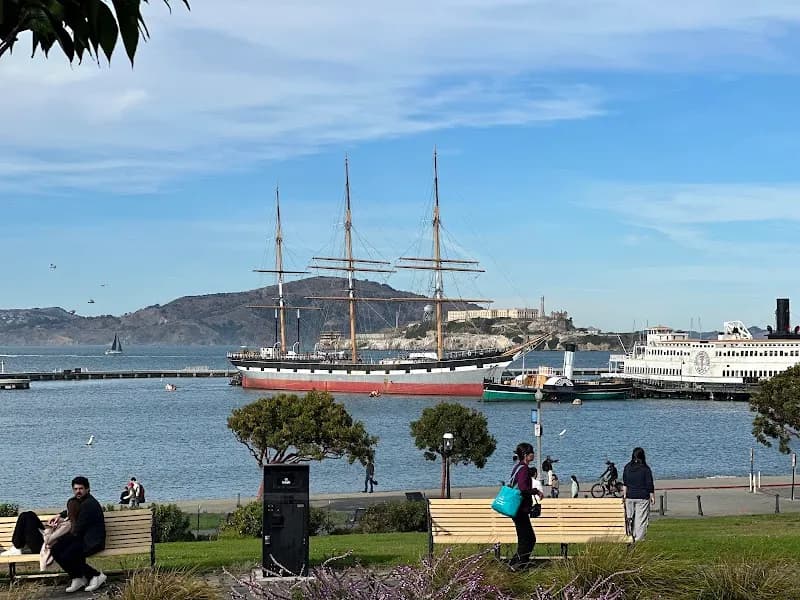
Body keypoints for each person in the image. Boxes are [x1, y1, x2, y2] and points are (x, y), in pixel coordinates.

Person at [50, 476, 107, 593]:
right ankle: (77, 577)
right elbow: (73, 510)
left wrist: (60, 538)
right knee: (55, 550)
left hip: (93, 542)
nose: (78, 491)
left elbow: (77, 529)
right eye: (75, 489)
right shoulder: (82, 502)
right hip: (82, 539)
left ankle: (95, 576)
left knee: (67, 554)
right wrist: (61, 515)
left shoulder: (89, 504)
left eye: (81, 488)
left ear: (87, 489)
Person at [509, 442, 544, 570]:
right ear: (525, 455)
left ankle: (516, 565)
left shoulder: (517, 467)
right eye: (531, 452)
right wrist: (536, 491)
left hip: (517, 509)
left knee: (525, 539)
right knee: (529, 539)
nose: (533, 454)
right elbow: (523, 488)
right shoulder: (523, 469)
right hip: (520, 509)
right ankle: (517, 566)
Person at [622, 447, 655, 542]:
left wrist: (625, 495)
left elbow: (625, 483)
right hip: (642, 497)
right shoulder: (645, 468)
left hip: (629, 496)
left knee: (629, 518)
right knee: (640, 519)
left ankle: (629, 536)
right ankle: (637, 538)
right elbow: (649, 484)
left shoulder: (627, 467)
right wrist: (652, 496)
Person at [40, 498, 80, 571]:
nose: (67, 511)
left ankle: (18, 547)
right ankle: (18, 547)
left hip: (46, 544)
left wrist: (49, 529)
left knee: (27, 516)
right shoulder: (64, 520)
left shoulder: (68, 524)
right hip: (46, 541)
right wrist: (58, 518)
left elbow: (48, 541)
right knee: (27, 516)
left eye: (68, 510)